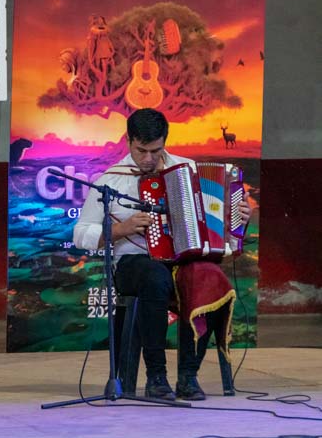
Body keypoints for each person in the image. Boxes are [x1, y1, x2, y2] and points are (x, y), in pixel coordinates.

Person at [73, 108, 251, 401]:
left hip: (184, 260)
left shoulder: (186, 169)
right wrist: (120, 229)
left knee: (209, 276)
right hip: (132, 263)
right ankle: (156, 376)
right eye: (141, 150)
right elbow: (80, 233)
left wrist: (239, 218)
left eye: (155, 151)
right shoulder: (110, 180)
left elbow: (217, 217)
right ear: (129, 141)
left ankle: (188, 375)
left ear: (164, 142)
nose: (148, 159)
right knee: (156, 277)